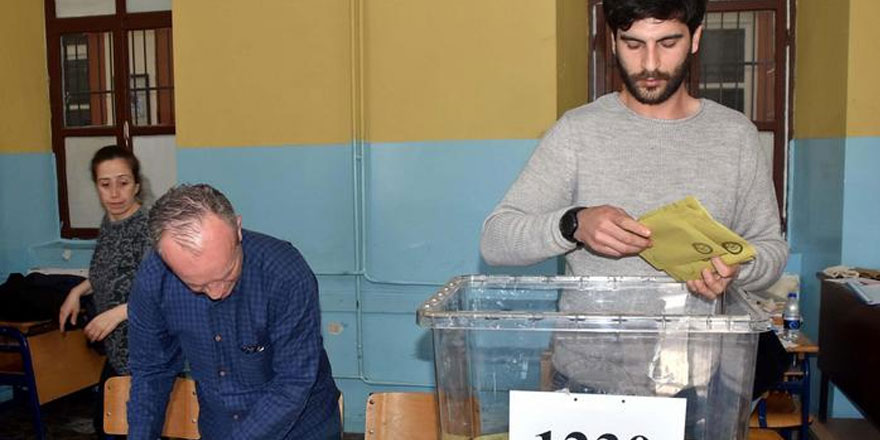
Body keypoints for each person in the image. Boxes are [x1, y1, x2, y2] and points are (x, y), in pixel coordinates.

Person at [480, 0, 789, 437]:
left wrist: (736, 269)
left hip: (698, 388)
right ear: (612, 41)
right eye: (633, 44)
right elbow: (496, 239)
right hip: (588, 386)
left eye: (668, 43)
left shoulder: (734, 136)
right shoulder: (577, 132)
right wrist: (573, 224)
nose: (650, 64)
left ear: (695, 38)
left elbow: (771, 248)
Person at [127, 184, 340, 440]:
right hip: (220, 427)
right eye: (196, 286)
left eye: (227, 274)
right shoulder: (154, 278)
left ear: (237, 229)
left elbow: (293, 381)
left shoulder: (284, 273)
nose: (216, 293)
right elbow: (150, 372)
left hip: (300, 429)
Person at [58, 145, 151, 436]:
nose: (115, 194)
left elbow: (163, 292)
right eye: (105, 184)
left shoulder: (149, 228)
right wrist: (78, 290)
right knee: (106, 426)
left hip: (146, 355)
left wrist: (117, 314)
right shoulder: (111, 222)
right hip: (117, 354)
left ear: (136, 185)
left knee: (127, 429)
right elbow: (111, 270)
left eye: (123, 183)